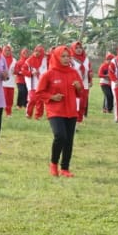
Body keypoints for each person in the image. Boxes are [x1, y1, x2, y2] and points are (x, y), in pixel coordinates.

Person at [37, 45, 82, 176]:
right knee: (60, 136)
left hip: (71, 111)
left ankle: (65, 168)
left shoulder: (74, 73)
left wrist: (79, 88)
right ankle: (53, 163)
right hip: (55, 111)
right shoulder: (48, 74)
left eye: (68, 56)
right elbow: (39, 93)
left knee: (69, 140)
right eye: (63, 56)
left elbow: (79, 93)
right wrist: (52, 97)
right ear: (56, 57)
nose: (66, 59)